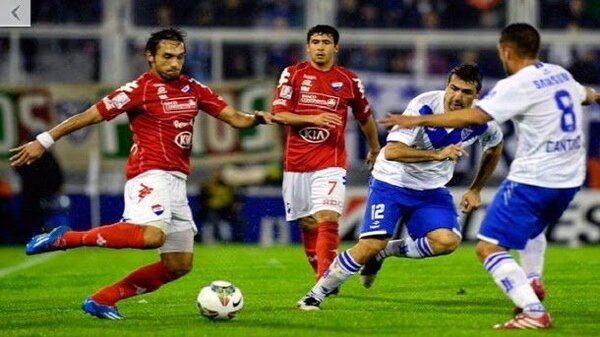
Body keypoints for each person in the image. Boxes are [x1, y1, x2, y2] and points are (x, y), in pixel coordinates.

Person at [9, 28, 273, 320]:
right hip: (149, 173)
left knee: (179, 264)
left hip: (177, 180)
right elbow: (90, 115)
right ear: (150, 56)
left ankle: (103, 299)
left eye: (180, 57)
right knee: (151, 236)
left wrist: (255, 119)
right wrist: (44, 140)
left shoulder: (193, 88)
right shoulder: (138, 89)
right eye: (168, 57)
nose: (175, 63)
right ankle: (66, 238)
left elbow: (234, 118)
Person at [379, 23, 600, 329]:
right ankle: (532, 279)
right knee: (533, 226)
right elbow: (588, 95)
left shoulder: (518, 85)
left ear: (506, 51)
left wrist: (418, 119)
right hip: (571, 179)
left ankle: (533, 311)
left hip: (534, 178)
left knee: (488, 248)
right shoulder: (560, 74)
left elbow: (475, 116)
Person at [296, 64, 504, 311]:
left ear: (476, 95)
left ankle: (386, 252)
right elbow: (392, 151)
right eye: (453, 88)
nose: (457, 97)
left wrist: (475, 189)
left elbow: (494, 147)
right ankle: (314, 295)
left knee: (446, 242)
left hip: (430, 189)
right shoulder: (424, 106)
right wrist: (437, 154)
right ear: (446, 86)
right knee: (370, 245)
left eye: (466, 92)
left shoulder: (482, 121)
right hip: (391, 182)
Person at [270, 25, 381, 284]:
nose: (321, 47)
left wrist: (375, 148)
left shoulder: (348, 80)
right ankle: (323, 274)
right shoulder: (293, 74)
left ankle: (324, 283)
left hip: (330, 161)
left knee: (328, 216)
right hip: (296, 163)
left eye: (326, 42)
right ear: (308, 47)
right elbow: (278, 115)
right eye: (316, 42)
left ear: (336, 47)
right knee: (308, 223)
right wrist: (314, 118)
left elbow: (365, 117)